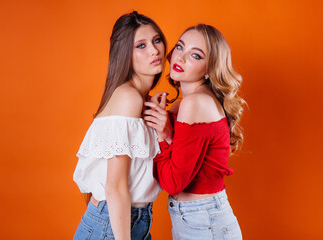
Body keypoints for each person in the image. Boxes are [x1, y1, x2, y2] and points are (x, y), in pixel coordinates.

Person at [143, 24, 245, 239]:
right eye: (180, 47)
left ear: (210, 69)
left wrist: (164, 135)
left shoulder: (195, 103)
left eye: (195, 55)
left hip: (204, 220)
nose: (180, 58)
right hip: (199, 219)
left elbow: (172, 183)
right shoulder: (183, 105)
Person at [73, 11, 167, 240]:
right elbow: (114, 187)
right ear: (125, 53)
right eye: (141, 46)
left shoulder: (139, 100)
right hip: (112, 225)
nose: (154, 50)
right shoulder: (128, 98)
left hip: (129, 220)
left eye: (156, 40)